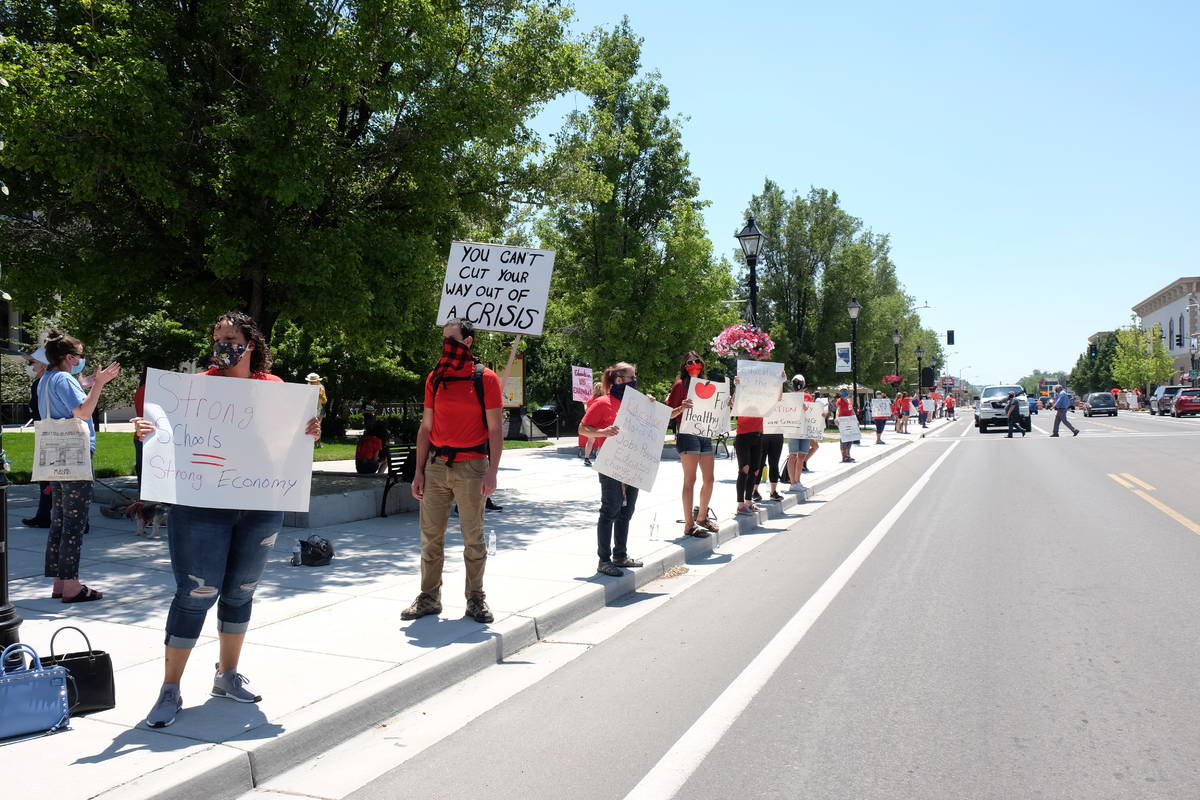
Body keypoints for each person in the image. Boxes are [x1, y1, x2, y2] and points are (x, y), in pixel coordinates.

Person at [132, 312, 321, 728]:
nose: (223, 345)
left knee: (241, 591)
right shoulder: (192, 388)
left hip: (259, 504)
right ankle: (170, 688)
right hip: (201, 507)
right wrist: (147, 431)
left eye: (231, 338)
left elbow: (290, 443)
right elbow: (165, 435)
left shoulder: (276, 391)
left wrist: (311, 430)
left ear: (250, 344)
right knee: (196, 592)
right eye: (217, 337)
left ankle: (227, 675)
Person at [403, 319, 503, 623]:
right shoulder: (435, 377)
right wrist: (419, 471)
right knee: (430, 537)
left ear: (468, 342)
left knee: (473, 537)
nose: (446, 345)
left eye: (453, 339)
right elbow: (426, 427)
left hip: (473, 466)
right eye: (444, 339)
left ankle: (476, 599)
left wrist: (492, 471)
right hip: (435, 466)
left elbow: (496, 429)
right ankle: (429, 598)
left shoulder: (485, 378)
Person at [40, 332, 121, 603]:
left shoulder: (46, 379)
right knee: (74, 523)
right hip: (75, 455)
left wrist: (86, 383)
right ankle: (72, 585)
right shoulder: (64, 378)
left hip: (55, 455)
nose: (82, 359)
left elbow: (67, 399)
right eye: (80, 355)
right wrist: (97, 385)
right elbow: (83, 412)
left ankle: (60, 581)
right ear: (69, 357)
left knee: (59, 519)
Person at [578, 362, 646, 575]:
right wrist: (603, 432)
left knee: (627, 511)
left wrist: (652, 404)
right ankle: (604, 560)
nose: (634, 382)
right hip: (610, 463)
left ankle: (620, 556)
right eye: (631, 378)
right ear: (619, 380)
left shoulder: (635, 404)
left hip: (632, 462)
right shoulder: (601, 403)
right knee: (610, 509)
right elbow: (582, 428)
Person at [665, 352, 716, 537]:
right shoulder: (680, 385)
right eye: (689, 362)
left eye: (697, 361)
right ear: (684, 366)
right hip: (687, 433)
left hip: (705, 433)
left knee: (709, 479)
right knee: (690, 480)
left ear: (702, 364)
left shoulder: (709, 385)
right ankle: (689, 524)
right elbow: (668, 413)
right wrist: (681, 408)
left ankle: (702, 517)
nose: (694, 364)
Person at [23, 347, 53, 528]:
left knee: (50, 478)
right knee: (49, 478)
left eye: (32, 362)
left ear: (43, 363)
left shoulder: (42, 383)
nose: (31, 366)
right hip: (46, 432)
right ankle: (44, 514)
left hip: (49, 434)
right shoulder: (44, 382)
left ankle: (45, 515)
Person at [785, 375, 814, 493]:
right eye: (795, 382)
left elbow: (813, 411)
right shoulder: (789, 397)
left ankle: (797, 481)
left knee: (801, 456)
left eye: (799, 382)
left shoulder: (808, 396)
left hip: (805, 429)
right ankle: (792, 482)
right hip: (793, 428)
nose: (797, 384)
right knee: (792, 455)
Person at [579, 381, 604, 467]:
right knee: (602, 441)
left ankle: (586, 458)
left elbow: (587, 411)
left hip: (592, 423)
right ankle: (600, 457)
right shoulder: (604, 399)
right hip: (601, 423)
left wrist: (584, 404)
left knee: (590, 441)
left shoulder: (590, 399)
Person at [835, 389, 857, 463]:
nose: (844, 393)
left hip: (850, 420)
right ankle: (844, 456)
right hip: (842, 421)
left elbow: (852, 410)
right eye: (842, 392)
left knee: (850, 438)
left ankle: (848, 455)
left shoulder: (850, 400)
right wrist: (837, 417)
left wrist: (856, 419)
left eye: (845, 391)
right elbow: (838, 409)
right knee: (844, 439)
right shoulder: (839, 400)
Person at [307, 373, 327, 448]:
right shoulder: (307, 387)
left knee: (317, 426)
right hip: (309, 408)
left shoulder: (321, 388)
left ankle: (317, 444)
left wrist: (319, 395)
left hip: (319, 408)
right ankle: (311, 443)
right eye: (311, 381)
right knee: (309, 425)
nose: (311, 383)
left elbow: (325, 401)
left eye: (313, 381)